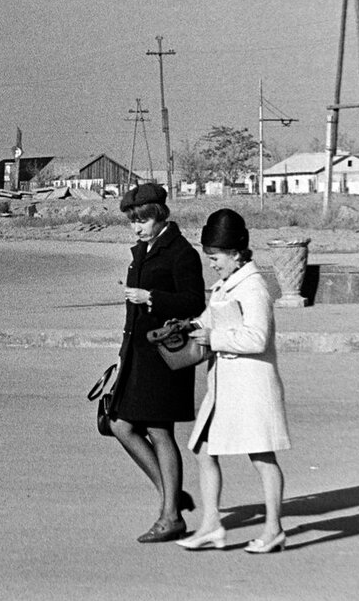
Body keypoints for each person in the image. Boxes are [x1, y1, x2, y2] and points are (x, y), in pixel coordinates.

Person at [177, 208, 292, 554]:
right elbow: (209, 320)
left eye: (215, 258)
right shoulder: (226, 284)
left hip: (252, 386)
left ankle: (274, 530)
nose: (211, 264)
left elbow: (257, 338)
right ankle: (212, 524)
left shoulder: (254, 287)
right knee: (202, 449)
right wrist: (185, 328)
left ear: (237, 253)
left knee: (261, 456)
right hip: (226, 386)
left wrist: (214, 338)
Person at [106, 182, 207, 543]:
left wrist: (153, 297)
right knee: (118, 423)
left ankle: (171, 516)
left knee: (159, 431)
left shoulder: (180, 252)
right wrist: (123, 356)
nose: (137, 227)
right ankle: (172, 494)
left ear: (160, 215)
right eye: (133, 221)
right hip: (137, 356)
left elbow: (195, 303)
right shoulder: (143, 250)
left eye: (143, 220)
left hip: (164, 358)